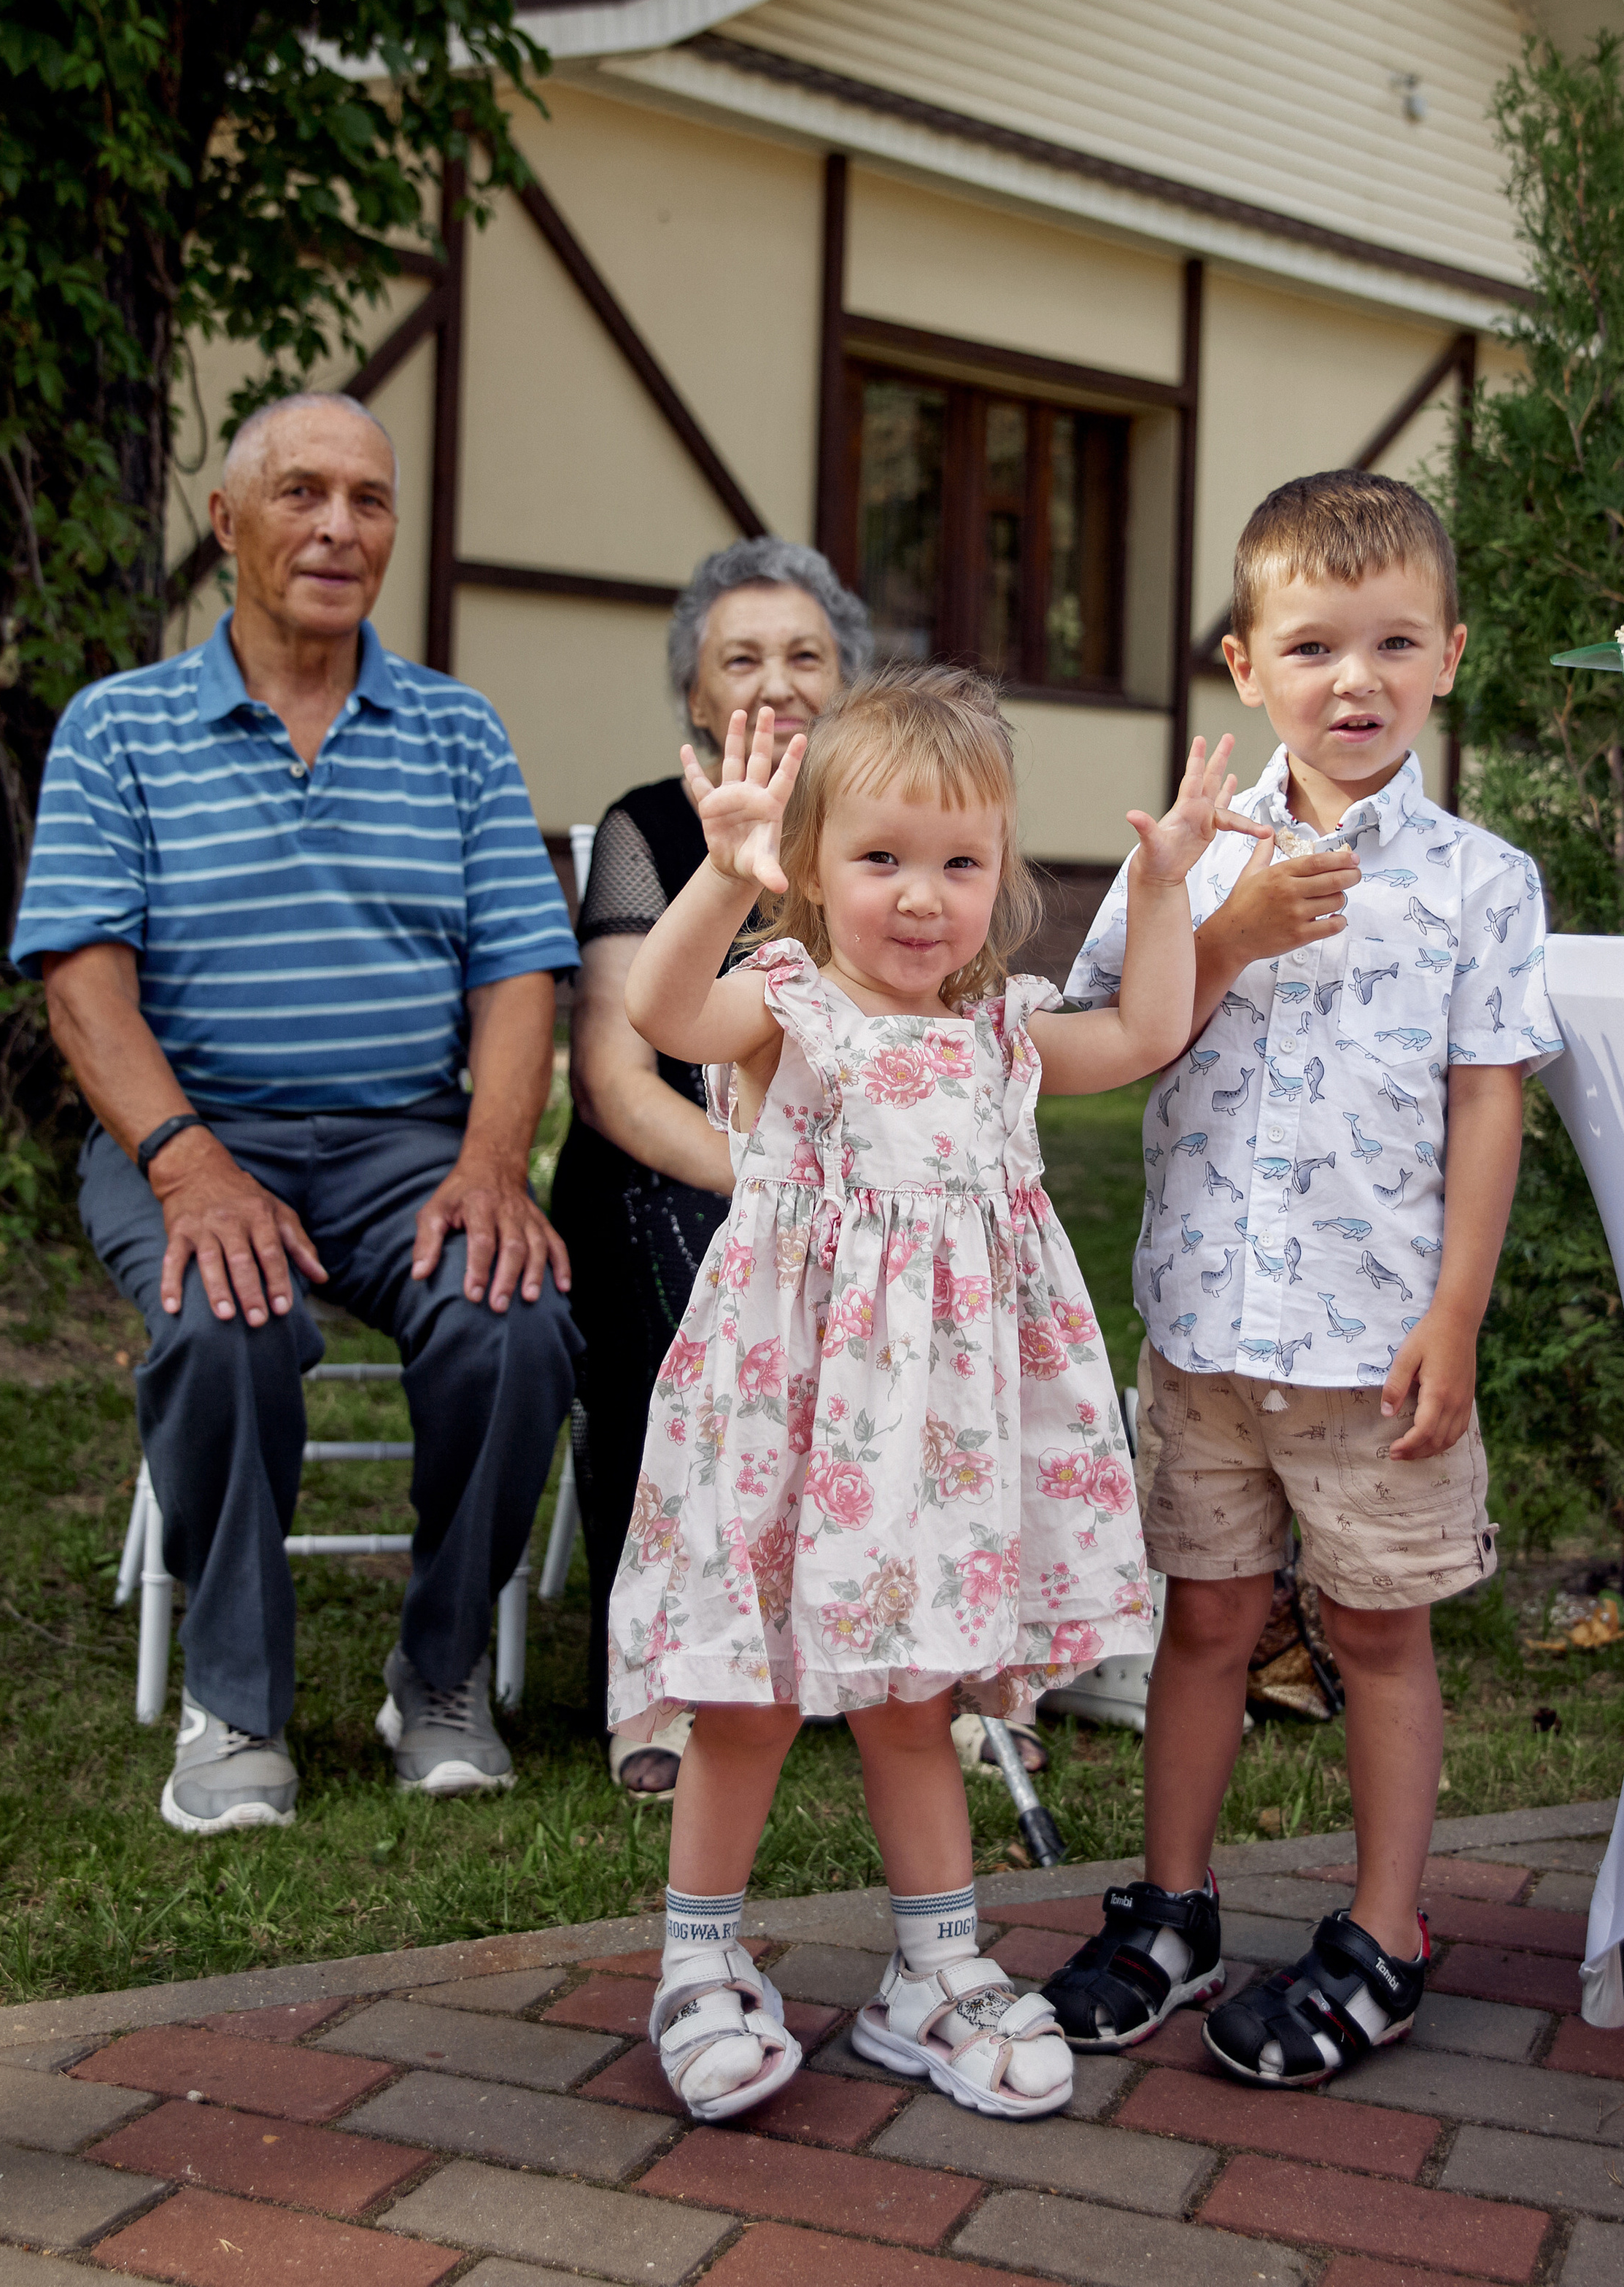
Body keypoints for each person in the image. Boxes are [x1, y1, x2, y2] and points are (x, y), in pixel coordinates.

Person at [608, 670, 1270, 2124]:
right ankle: (698, 1967)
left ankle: (934, 1971)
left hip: (941, 1439)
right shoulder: (784, 1011)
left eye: (959, 864)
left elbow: (1150, 1031)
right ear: (814, 869)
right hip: (791, 1421)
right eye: (881, 860)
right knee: (750, 1698)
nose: (922, 899)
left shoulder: (1002, 1037)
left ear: (1001, 878)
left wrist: (1163, 889)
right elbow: (658, 1006)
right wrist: (721, 878)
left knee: (919, 1696)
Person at [1046, 470, 1561, 2086]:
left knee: (1377, 1638)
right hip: (1204, 1333)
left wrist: (1454, 1315)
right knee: (1201, 1624)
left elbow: (1489, 1095)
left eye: (1393, 643)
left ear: (1448, 659)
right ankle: (1174, 1912)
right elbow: (1099, 1052)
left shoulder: (1481, 882)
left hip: (1371, 1347)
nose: (1355, 680)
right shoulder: (1188, 862)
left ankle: (1387, 1931)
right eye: (1315, 645)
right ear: (1241, 666)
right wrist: (1224, 932)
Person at [10, 392, 581, 1834]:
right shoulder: (118, 730)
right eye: (302, 493)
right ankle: (237, 1700)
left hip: (405, 1142)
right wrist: (191, 1166)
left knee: (514, 1321)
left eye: (370, 500)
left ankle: (440, 1676)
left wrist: (495, 1165)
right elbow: (85, 989)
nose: (338, 526)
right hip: (193, 1132)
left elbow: (519, 969)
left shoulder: (455, 730)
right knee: (224, 1320)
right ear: (226, 522)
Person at [552, 538, 871, 1800]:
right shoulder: (646, 826)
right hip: (679, 1166)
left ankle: (885, 1644)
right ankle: (665, 1678)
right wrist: (765, 1183)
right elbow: (618, 1079)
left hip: (860, 1179)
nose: (778, 681)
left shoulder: (881, 827)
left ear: (845, 682)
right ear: (696, 694)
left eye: (807, 655)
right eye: (743, 658)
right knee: (683, 1281)